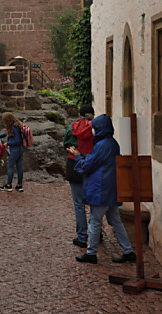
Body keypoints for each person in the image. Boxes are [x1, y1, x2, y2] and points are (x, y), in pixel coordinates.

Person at [68, 114, 136, 264]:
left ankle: (91, 253)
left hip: (101, 188)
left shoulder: (102, 145)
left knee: (95, 220)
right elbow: (96, 160)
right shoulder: (111, 143)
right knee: (115, 220)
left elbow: (89, 165)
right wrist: (82, 156)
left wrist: (78, 157)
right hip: (111, 188)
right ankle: (128, 250)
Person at [64, 104, 96, 247]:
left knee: (79, 204)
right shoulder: (97, 129)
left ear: (80, 114)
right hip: (93, 166)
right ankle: (96, 233)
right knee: (95, 202)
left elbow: (66, 145)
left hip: (75, 165)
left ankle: (82, 237)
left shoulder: (72, 128)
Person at [0, 112, 25, 192]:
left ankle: (9, 185)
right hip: (21, 149)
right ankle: (19, 185)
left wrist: (8, 143)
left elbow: (17, 140)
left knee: (10, 165)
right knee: (19, 166)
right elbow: (9, 133)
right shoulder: (17, 125)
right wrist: (0, 135)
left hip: (15, 149)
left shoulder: (14, 127)